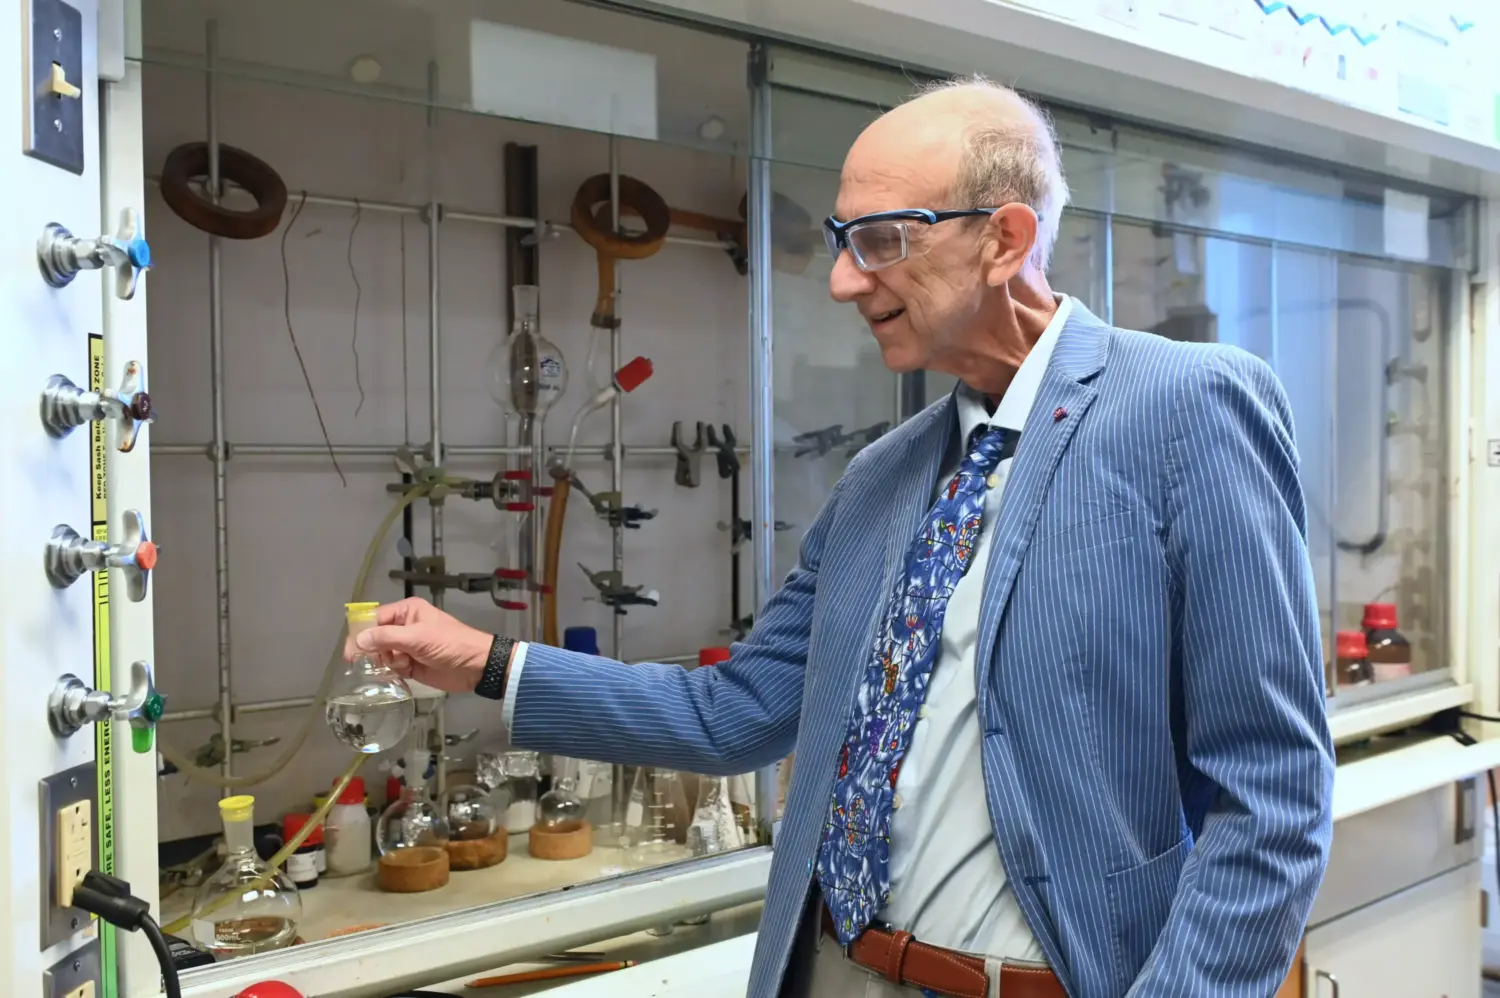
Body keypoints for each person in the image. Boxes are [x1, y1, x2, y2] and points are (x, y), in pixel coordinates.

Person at [347, 76, 1334, 998]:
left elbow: (1274, 793)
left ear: (1003, 237)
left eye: (879, 240)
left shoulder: (1184, 407)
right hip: (833, 965)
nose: (841, 281)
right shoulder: (882, 477)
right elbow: (734, 710)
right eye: (839, 239)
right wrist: (484, 660)